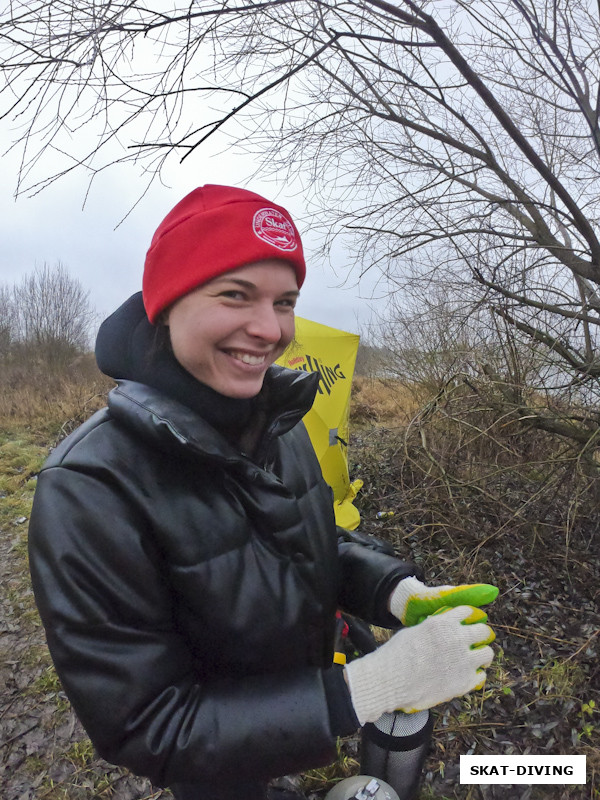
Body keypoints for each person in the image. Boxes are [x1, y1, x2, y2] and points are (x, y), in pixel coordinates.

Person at [28, 185, 497, 800]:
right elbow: (147, 725)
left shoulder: (279, 417)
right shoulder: (89, 488)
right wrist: (366, 690)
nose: (269, 328)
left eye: (285, 301)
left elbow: (309, 538)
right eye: (235, 295)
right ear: (167, 304)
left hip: (292, 696)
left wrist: (393, 591)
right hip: (211, 757)